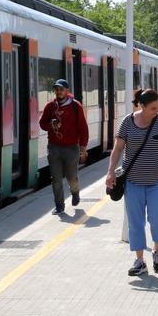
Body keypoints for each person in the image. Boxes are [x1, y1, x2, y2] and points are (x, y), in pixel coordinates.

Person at [105, 88, 158, 276]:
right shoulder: (128, 122)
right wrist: (110, 172)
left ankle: (157, 250)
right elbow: (118, 148)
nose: (156, 111)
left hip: (157, 182)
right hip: (133, 182)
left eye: (157, 107)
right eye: (152, 108)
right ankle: (140, 260)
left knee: (157, 219)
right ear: (141, 106)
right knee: (136, 222)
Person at [39, 78, 89, 214]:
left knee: (71, 177)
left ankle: (75, 192)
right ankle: (59, 206)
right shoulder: (50, 106)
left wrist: (83, 146)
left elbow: (83, 128)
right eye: (56, 89)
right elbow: (42, 123)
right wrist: (51, 125)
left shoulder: (75, 106)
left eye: (61, 89)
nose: (58, 91)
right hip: (54, 148)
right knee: (56, 178)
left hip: (71, 148)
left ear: (67, 91)